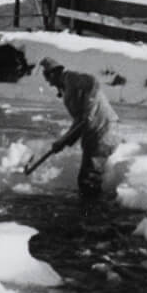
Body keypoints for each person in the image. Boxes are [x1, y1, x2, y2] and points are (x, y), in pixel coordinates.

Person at [39, 57, 120, 203]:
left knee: (89, 178)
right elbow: (78, 122)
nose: (48, 82)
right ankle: (91, 209)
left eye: (47, 76)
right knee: (87, 177)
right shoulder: (68, 88)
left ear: (53, 73)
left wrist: (90, 105)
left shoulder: (71, 78)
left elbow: (92, 81)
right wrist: (63, 142)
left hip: (103, 130)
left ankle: (91, 216)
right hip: (94, 132)